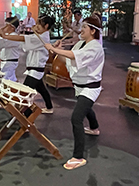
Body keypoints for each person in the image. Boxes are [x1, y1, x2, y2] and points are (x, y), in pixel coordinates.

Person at [45, 15, 104, 170]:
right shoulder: (80, 44)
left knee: (76, 118)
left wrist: (55, 49)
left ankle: (78, 157)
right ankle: (94, 128)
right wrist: (58, 50)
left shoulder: (95, 47)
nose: (81, 30)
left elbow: (72, 56)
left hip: (90, 87)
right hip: (79, 85)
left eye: (84, 27)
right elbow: (69, 59)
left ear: (92, 31)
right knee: (85, 108)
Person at [0, 15, 55, 114]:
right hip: (34, 69)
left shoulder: (42, 37)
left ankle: (27, 120)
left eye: (39, 25)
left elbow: (23, 38)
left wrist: (5, 36)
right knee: (41, 89)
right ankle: (49, 107)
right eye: (36, 24)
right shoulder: (39, 36)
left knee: (24, 94)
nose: (36, 26)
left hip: (35, 71)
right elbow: (25, 39)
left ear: (46, 26)